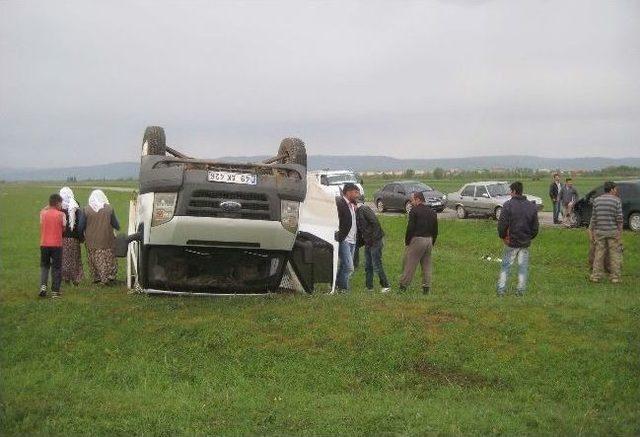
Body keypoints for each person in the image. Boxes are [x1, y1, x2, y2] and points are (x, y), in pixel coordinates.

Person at [496, 181, 539, 297]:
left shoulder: (507, 205)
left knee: (506, 266)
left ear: (514, 191)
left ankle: (501, 290)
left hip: (511, 242)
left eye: (510, 191)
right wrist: (529, 237)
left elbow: (502, 225)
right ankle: (520, 291)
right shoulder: (531, 206)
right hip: (525, 243)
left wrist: (502, 236)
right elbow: (535, 228)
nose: (510, 193)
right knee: (522, 268)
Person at [399, 191, 438, 294]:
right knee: (427, 265)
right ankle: (426, 289)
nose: (411, 202)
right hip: (429, 240)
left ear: (418, 199)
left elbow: (410, 228)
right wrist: (432, 242)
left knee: (410, 264)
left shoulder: (414, 211)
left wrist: (407, 241)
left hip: (417, 240)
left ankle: (403, 287)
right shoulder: (432, 212)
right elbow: (435, 230)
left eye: (412, 200)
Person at [589, 181, 623, 283]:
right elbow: (619, 219)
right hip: (613, 231)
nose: (616, 191)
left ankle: (595, 276)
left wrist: (592, 231)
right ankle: (615, 277)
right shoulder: (617, 201)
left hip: (600, 232)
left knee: (599, 254)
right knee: (614, 254)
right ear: (612, 189)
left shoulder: (597, 200)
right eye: (615, 189)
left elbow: (594, 218)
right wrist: (619, 233)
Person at [84, 190, 120, 285]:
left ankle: (97, 277)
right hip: (107, 238)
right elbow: (116, 225)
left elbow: (81, 226)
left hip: (91, 240)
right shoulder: (109, 209)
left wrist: (82, 235)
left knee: (94, 258)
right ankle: (109, 276)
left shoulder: (86, 209)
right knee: (107, 258)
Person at [356, 203, 390, 293]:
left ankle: (386, 286)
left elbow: (375, 222)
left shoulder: (364, 209)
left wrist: (373, 239)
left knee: (376, 264)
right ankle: (369, 287)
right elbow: (360, 231)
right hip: (368, 242)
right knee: (368, 265)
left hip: (375, 241)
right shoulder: (355, 214)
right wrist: (359, 244)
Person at [334, 183, 360, 292]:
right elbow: (336, 220)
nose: (357, 195)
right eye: (355, 192)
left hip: (352, 240)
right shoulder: (340, 203)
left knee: (344, 265)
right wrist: (339, 236)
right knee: (349, 267)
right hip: (344, 239)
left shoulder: (352, 205)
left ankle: (337, 286)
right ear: (348, 192)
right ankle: (344, 289)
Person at [39, 193, 66, 298]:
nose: (61, 206)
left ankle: (43, 287)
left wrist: (49, 206)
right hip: (57, 245)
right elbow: (63, 229)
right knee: (56, 267)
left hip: (44, 244)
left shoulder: (43, 213)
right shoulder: (61, 215)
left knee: (45, 266)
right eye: (60, 203)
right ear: (57, 203)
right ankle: (55, 291)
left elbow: (43, 213)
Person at [59, 187, 85, 285]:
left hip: (62, 238)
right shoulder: (76, 207)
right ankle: (76, 279)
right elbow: (80, 225)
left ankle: (65, 278)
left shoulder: (59, 208)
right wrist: (81, 237)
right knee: (75, 259)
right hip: (74, 238)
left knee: (64, 259)